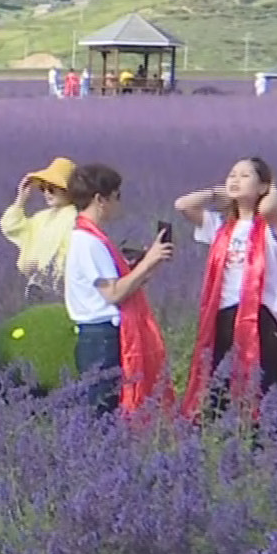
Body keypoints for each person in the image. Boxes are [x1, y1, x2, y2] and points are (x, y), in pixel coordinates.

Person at [175, 158, 277, 419]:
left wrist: (268, 187)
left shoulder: (275, 226)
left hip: (261, 317)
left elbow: (268, 208)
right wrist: (219, 192)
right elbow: (183, 205)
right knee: (218, 387)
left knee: (263, 388)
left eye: (245, 176)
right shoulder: (220, 226)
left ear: (263, 186)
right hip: (226, 315)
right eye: (232, 174)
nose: (236, 180)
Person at [63, 163, 172, 416]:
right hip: (101, 337)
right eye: (116, 196)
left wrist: (147, 264)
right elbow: (113, 294)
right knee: (102, 411)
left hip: (98, 336)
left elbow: (121, 285)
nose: (119, 203)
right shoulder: (89, 242)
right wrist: (147, 263)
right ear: (101, 199)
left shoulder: (90, 238)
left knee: (106, 408)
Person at [0, 157, 78, 295]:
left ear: (68, 191)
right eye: (43, 188)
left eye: (52, 189)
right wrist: (20, 200)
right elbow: (12, 227)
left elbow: (68, 256)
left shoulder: (74, 218)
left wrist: (45, 275)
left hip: (58, 290)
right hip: (35, 286)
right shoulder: (42, 217)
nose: (47, 193)